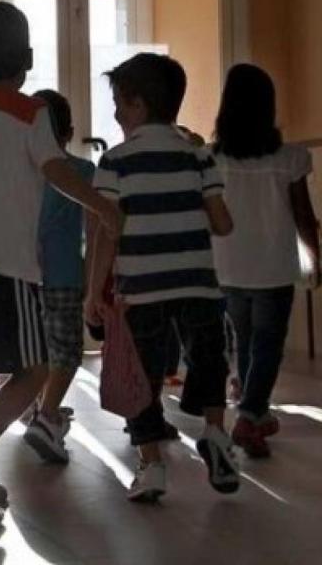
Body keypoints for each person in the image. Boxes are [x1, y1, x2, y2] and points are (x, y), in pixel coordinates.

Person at [0, 2, 121, 530]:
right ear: (28, 58)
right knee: (35, 367)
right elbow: (54, 168)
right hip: (5, 266)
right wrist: (100, 205)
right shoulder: (29, 110)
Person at [87, 52, 239, 502]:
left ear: (136, 104)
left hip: (141, 289)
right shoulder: (197, 155)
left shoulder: (116, 162)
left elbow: (105, 234)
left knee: (142, 379)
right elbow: (223, 223)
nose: (114, 112)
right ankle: (215, 435)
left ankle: (151, 465)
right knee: (210, 360)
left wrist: (93, 293)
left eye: (117, 101)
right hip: (197, 283)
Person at [212, 63, 320, 458]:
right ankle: (250, 414)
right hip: (273, 266)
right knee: (269, 344)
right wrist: (315, 255)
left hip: (227, 264)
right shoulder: (291, 157)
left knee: (245, 339)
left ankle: (254, 413)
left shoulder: (213, 159)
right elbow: (304, 215)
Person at [21, 89, 96, 464]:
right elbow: (93, 230)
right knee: (65, 351)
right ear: (68, 132)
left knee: (33, 349)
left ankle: (34, 407)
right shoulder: (82, 172)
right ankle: (47, 416)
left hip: (23, 275)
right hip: (65, 273)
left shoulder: (18, 174)